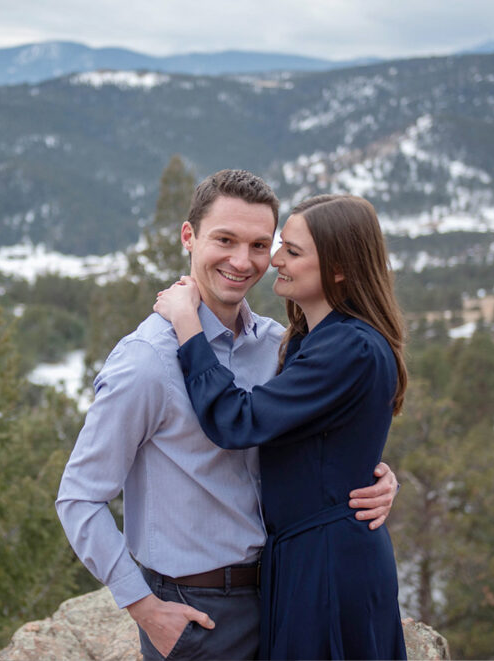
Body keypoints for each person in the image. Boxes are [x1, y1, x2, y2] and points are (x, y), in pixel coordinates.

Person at [56, 171, 400, 660]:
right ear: (188, 237)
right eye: (225, 240)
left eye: (261, 244)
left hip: (285, 592)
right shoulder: (146, 363)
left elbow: (325, 434)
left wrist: (375, 479)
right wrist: (143, 607)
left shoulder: (279, 346)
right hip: (198, 614)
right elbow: (79, 498)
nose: (245, 261)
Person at [153, 193, 408, 660]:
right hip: (307, 555)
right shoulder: (319, 341)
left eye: (291, 251)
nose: (274, 261)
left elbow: (237, 421)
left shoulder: (349, 348)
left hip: (327, 563)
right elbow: (329, 442)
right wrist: (370, 471)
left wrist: (187, 323)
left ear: (338, 268)